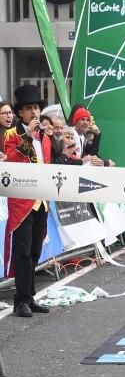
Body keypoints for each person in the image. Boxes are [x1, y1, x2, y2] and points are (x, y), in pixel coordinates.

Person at [3, 85, 53, 318]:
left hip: (41, 200)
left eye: (35, 108)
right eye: (28, 109)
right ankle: (20, 299)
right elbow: (10, 160)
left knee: (34, 251)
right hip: (22, 202)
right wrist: (27, 138)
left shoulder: (44, 136)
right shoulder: (11, 135)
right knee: (22, 252)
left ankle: (29, 296)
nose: (33, 112)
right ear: (20, 113)